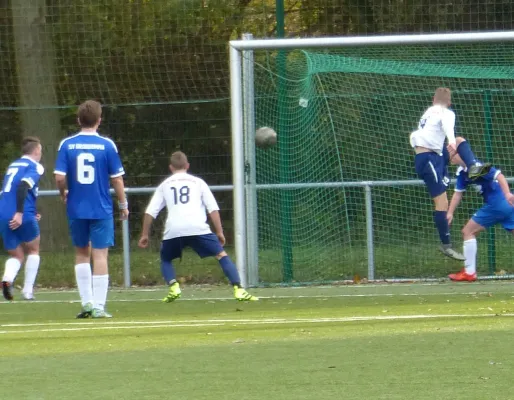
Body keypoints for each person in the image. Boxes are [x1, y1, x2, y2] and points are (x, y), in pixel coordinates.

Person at [138, 151, 258, 302]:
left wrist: (144, 234)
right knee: (221, 255)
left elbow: (150, 212)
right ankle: (238, 289)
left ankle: (174, 286)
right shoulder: (198, 182)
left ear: (170, 167)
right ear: (187, 166)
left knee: (166, 259)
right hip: (197, 227)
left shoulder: (164, 185)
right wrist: (219, 232)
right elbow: (213, 209)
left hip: (174, 229)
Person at [54, 100, 129, 318]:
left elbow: (59, 177)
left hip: (76, 208)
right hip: (101, 208)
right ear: (99, 120)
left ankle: (86, 303)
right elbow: (117, 180)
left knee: (81, 254)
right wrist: (123, 205)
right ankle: (98, 306)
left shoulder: (67, 144)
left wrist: (63, 192)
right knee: (100, 255)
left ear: (78, 120)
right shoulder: (107, 145)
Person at [409, 87, 490, 261]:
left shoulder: (429, 111)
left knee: (459, 143)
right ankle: (446, 245)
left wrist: (452, 146)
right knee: (441, 203)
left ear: (433, 99)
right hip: (428, 158)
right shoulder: (447, 112)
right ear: (449, 103)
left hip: (434, 156)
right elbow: (447, 126)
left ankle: (472, 167)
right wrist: (451, 141)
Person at [446, 148, 514, 282]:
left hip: (497, 204)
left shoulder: (475, 167)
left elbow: (499, 175)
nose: (450, 157)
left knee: (468, 231)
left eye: (452, 153)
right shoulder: (462, 173)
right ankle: (469, 272)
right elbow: (458, 193)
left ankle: (469, 272)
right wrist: (450, 212)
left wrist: (507, 194)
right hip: (507, 205)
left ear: (460, 153)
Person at [0, 136, 44, 301]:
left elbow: (8, 191)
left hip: (3, 212)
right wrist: (20, 213)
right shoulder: (35, 167)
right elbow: (23, 186)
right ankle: (27, 291)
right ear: (36, 151)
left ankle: (7, 280)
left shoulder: (13, 165)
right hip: (21, 213)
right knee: (33, 249)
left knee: (16, 255)